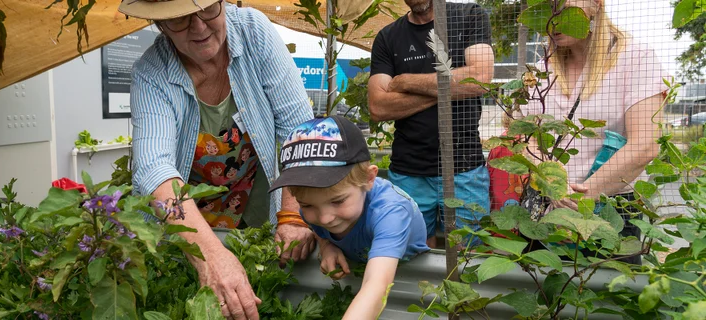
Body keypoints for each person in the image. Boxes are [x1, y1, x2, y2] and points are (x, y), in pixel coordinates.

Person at [118, 0, 316, 319]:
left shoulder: (254, 33)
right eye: (180, 19)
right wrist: (209, 256)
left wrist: (293, 214)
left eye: (208, 9)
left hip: (252, 212)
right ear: (160, 24)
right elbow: (154, 169)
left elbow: (299, 130)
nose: (199, 27)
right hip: (188, 229)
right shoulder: (151, 73)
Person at [521, 0, 667, 263]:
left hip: (611, 210)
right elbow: (530, 139)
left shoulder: (636, 58)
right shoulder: (542, 69)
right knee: (543, 296)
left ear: (597, 4)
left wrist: (579, 201)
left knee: (608, 297)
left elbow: (645, 144)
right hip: (545, 210)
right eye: (546, 6)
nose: (554, 15)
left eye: (563, 4)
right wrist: (554, 188)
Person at [269, 116, 429, 319]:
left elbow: (377, 285)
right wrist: (326, 245)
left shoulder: (391, 212)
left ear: (369, 179)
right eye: (307, 205)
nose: (325, 218)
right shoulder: (311, 212)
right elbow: (317, 227)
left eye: (337, 201)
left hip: (401, 266)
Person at [368, 0, 495, 248]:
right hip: (408, 171)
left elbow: (480, 79)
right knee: (413, 257)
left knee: (469, 258)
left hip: (465, 168)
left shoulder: (469, 15)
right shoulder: (388, 36)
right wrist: (450, 88)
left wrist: (405, 82)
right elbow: (379, 106)